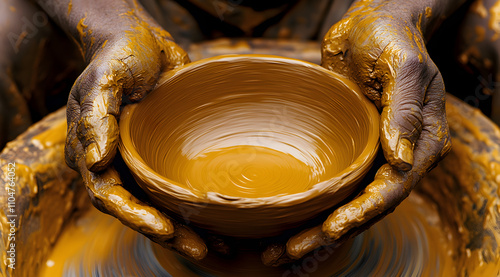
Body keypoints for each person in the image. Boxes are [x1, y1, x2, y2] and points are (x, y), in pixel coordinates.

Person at [0, 0, 486, 265]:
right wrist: (105, 24)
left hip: (354, 8)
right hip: (140, 11)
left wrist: (403, 11)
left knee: (492, 31)